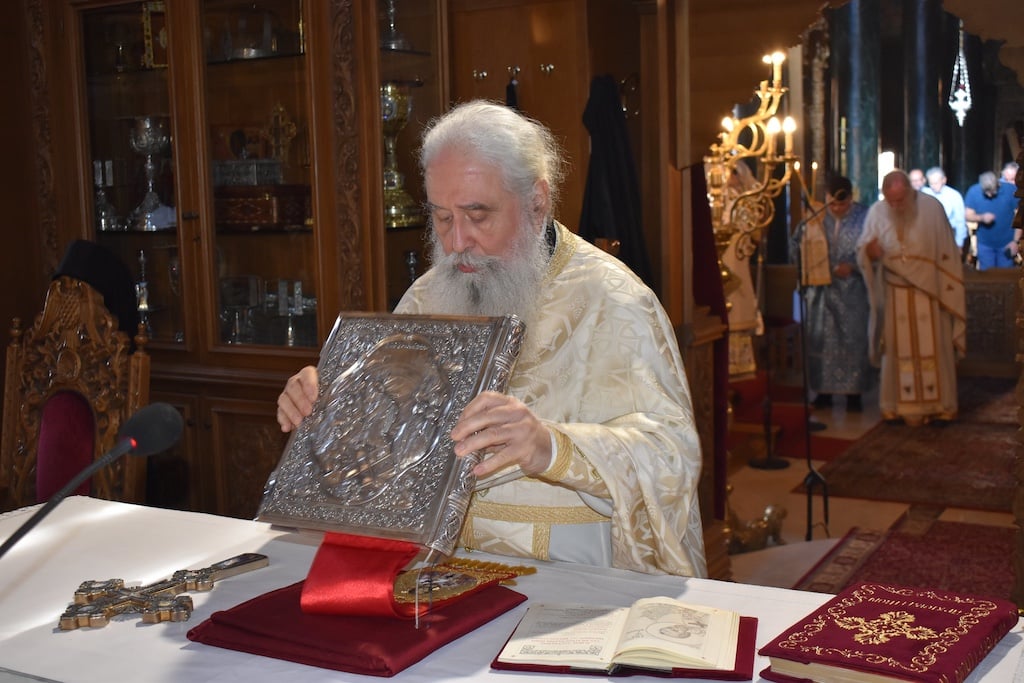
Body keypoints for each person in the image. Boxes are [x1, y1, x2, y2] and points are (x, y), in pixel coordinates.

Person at [277, 100, 707, 577]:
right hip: (432, 572)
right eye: (442, 218)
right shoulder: (426, 297)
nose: (457, 241)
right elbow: (383, 442)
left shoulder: (614, 300)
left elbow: (671, 457)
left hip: (563, 572)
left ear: (537, 202)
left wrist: (551, 446)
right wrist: (327, 408)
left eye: (477, 215)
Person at [856, 170, 966, 426]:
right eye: (890, 201)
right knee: (895, 350)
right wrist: (869, 252)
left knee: (935, 348)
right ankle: (895, 406)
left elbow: (948, 252)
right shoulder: (877, 211)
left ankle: (941, 406)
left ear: (910, 191)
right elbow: (863, 248)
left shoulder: (932, 208)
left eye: (899, 200)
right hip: (894, 293)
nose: (895, 206)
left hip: (930, 293)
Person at [790, 176, 871, 412]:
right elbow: (796, 247)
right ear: (826, 197)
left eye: (841, 204)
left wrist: (854, 266)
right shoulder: (815, 217)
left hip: (853, 291)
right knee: (821, 340)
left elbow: (873, 250)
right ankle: (823, 392)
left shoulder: (865, 217)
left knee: (853, 341)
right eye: (832, 203)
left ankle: (854, 395)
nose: (836, 209)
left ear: (851, 198)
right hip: (822, 293)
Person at [964, 170, 1020, 269]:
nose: (989, 195)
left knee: (1005, 275)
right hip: (985, 244)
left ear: (998, 184)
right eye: (986, 191)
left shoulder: (1011, 190)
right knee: (987, 275)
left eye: (992, 191)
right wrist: (981, 217)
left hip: (1007, 243)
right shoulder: (974, 191)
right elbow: (967, 215)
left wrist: (1015, 241)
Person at [920, 166, 967, 253]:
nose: (933, 186)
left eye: (936, 183)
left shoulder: (954, 196)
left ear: (944, 180)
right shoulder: (925, 193)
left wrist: (959, 244)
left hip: (948, 235)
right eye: (931, 183)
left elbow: (960, 221)